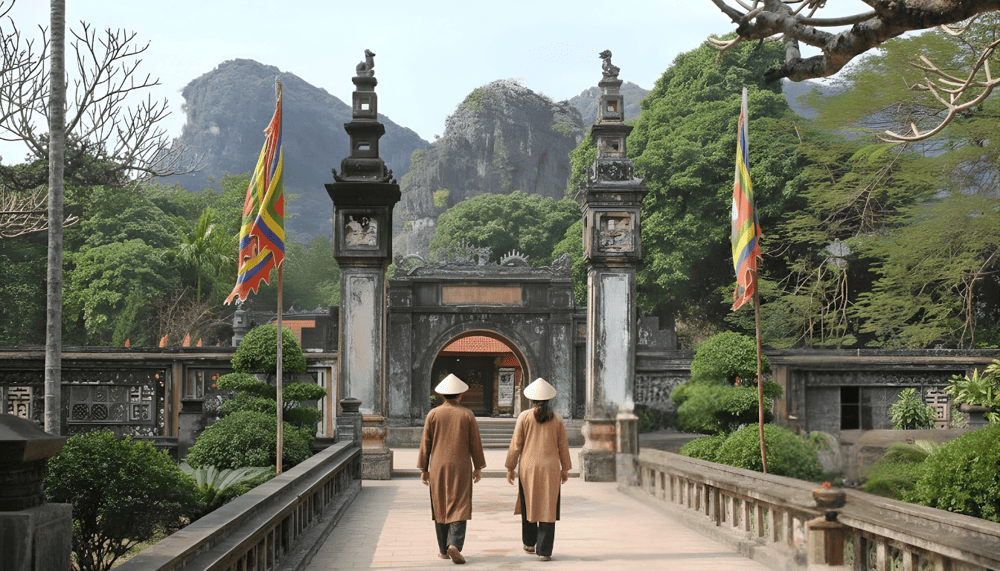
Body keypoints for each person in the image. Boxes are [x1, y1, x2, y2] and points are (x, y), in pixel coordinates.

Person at [417, 373, 487, 565]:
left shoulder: (433, 414)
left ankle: (443, 549)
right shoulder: (467, 414)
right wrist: (478, 466)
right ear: (459, 395)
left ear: (442, 396)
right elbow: (475, 443)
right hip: (461, 465)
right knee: (460, 502)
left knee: (440, 502)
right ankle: (454, 543)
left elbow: (426, 443)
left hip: (438, 465)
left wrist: (424, 468)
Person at [504, 378, 572, 562]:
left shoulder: (524, 417)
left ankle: (529, 543)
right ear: (549, 399)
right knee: (548, 506)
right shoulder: (557, 418)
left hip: (529, 467)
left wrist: (510, 467)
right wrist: (565, 468)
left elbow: (516, 444)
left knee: (529, 502)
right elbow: (563, 446)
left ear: (531, 399)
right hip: (551, 467)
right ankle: (545, 551)